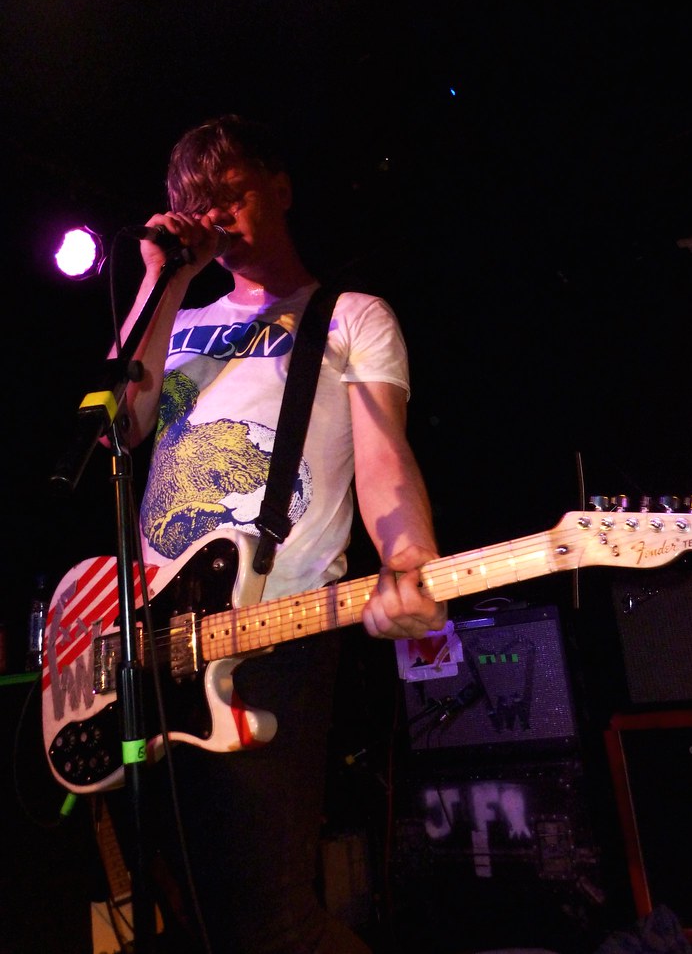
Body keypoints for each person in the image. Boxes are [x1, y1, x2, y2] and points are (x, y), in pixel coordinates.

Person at [107, 113, 446, 954]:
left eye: (233, 193)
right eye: (198, 205)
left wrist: (407, 557)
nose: (217, 215)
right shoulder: (178, 320)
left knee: (274, 924)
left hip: (274, 627)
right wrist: (163, 277)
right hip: (155, 644)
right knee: (196, 923)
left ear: (282, 187)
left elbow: (383, 458)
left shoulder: (350, 315)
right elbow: (118, 425)